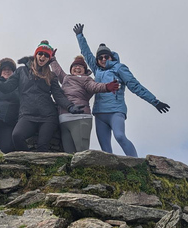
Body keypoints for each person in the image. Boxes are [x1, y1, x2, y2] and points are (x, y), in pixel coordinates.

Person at [73, 23, 170, 157]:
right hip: (100, 113)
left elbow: (135, 86)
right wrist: (79, 36)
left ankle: (137, 164)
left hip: (116, 111)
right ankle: (110, 170)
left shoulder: (119, 68)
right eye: (100, 57)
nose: (103, 59)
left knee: (120, 136)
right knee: (105, 148)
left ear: (111, 57)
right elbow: (86, 53)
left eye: (106, 57)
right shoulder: (97, 70)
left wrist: (155, 102)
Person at [0, 40, 78, 152]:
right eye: (40, 53)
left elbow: (58, 95)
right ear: (35, 55)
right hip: (27, 115)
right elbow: (7, 87)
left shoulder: (51, 76)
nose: (43, 57)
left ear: (49, 58)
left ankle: (36, 163)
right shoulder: (21, 71)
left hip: (48, 117)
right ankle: (28, 160)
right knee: (17, 136)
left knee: (42, 146)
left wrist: (70, 107)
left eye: (46, 55)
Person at [50, 54, 119, 153]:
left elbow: (95, 86)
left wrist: (107, 87)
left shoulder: (86, 79)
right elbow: (58, 71)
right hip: (64, 120)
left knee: (81, 152)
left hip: (80, 118)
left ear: (85, 70)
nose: (77, 68)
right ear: (71, 69)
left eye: (80, 66)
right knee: (68, 154)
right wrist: (52, 59)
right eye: (74, 66)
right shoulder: (66, 78)